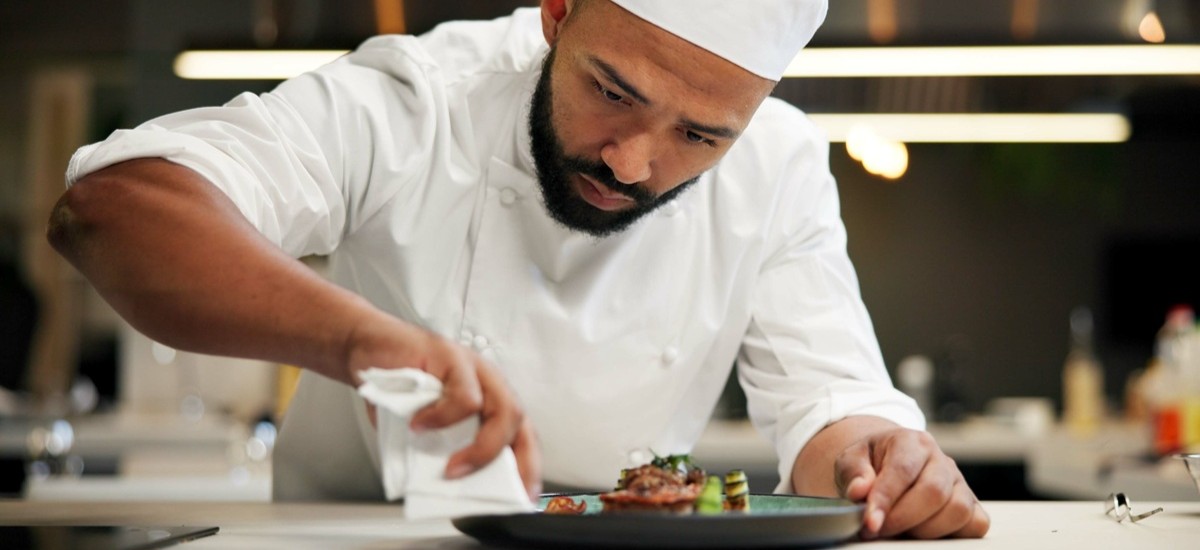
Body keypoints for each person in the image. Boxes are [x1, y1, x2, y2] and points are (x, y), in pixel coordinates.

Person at [48, 0, 988, 539]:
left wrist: (882, 463)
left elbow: (831, 412)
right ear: (556, 11)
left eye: (700, 135)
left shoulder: (778, 162)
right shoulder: (421, 101)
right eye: (611, 92)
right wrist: (368, 339)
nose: (631, 162)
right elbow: (114, 209)